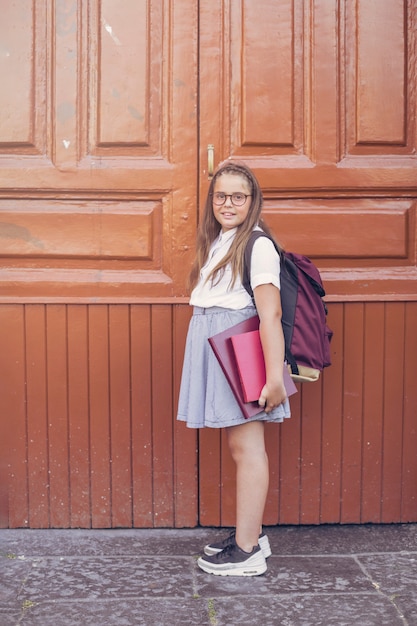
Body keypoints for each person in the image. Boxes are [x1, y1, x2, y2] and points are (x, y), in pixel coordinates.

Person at [177, 160, 291, 577]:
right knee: (239, 447)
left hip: (238, 349)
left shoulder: (256, 244)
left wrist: (274, 377)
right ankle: (250, 534)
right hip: (217, 344)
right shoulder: (221, 239)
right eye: (221, 195)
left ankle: (247, 553)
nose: (228, 203)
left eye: (238, 196)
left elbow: (271, 313)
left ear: (252, 201)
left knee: (247, 448)